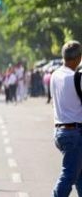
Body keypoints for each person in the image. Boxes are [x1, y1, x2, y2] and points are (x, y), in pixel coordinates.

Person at [49, 41, 82, 196]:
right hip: (74, 133)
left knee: (79, 175)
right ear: (78, 58)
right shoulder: (75, 77)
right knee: (68, 176)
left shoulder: (55, 75)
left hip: (60, 131)